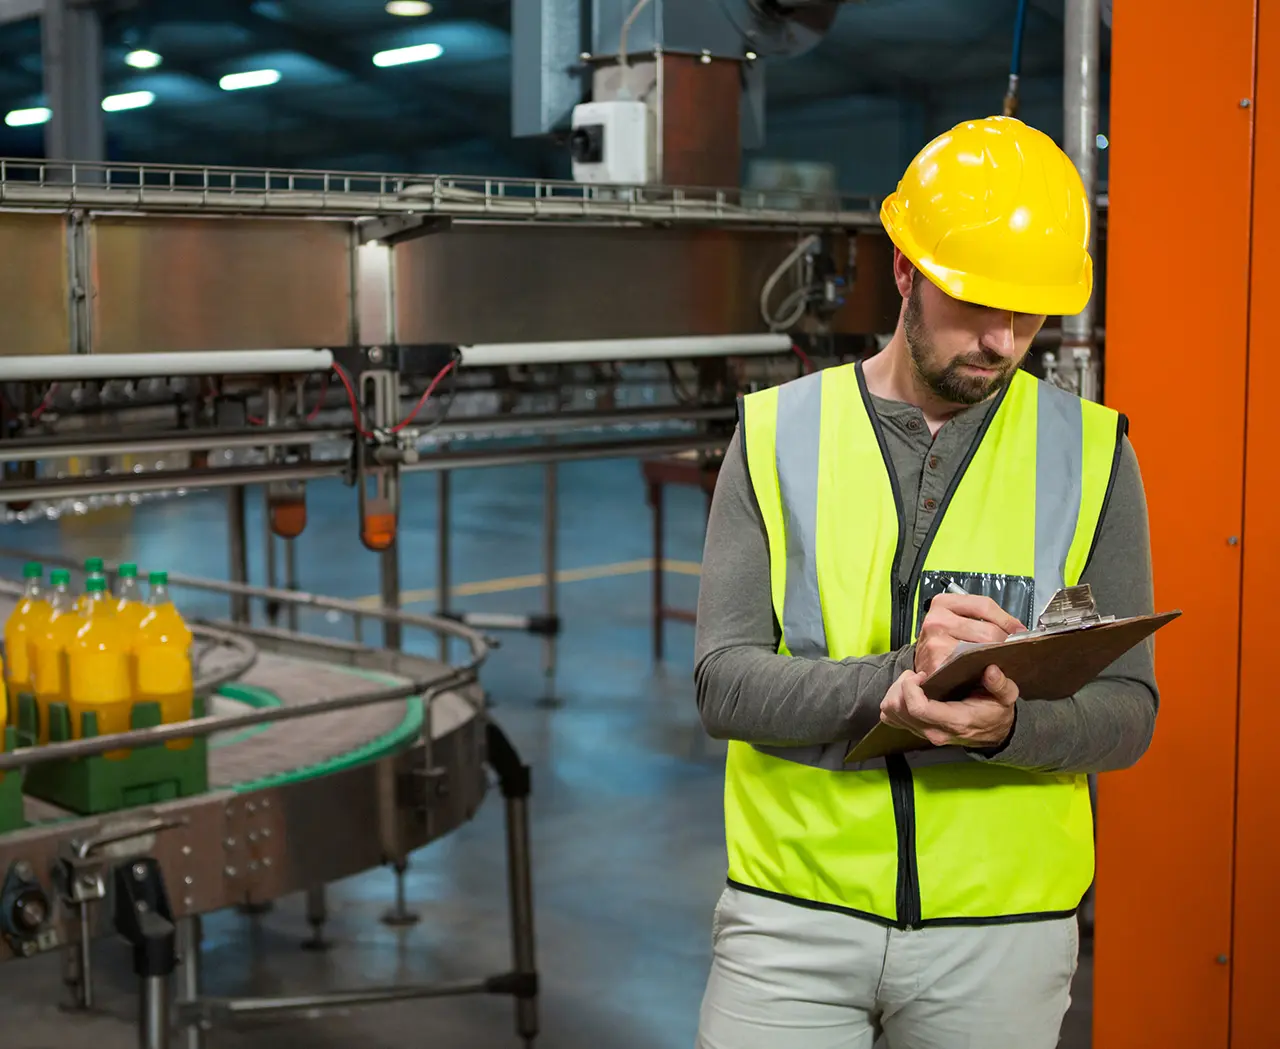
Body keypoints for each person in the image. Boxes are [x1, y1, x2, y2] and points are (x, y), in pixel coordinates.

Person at [691, 115, 1159, 1049]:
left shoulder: (1093, 452)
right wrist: (902, 675)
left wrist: (1007, 727)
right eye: (975, 303)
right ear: (903, 269)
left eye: (1028, 314)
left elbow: (1131, 710)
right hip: (792, 919)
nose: (1001, 339)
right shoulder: (779, 433)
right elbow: (723, 681)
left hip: (1004, 934)